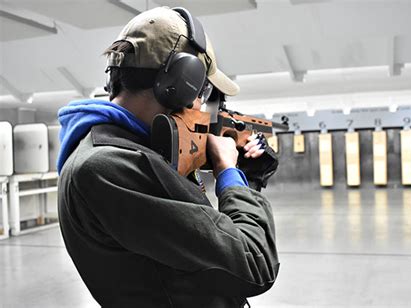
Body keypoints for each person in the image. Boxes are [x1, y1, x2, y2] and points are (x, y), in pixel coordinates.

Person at [56, 6, 279, 308]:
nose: (203, 105)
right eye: (203, 93)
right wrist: (228, 172)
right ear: (182, 82)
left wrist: (248, 177)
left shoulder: (127, 151)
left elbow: (211, 239)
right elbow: (253, 264)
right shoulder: (108, 168)